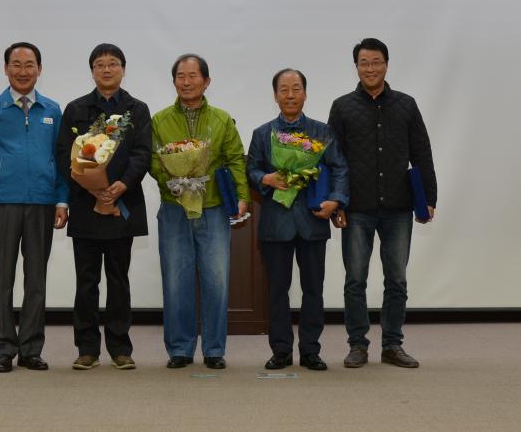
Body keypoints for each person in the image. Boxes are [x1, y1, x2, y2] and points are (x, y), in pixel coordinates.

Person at [328, 38, 437, 368]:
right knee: (355, 280)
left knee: (397, 280)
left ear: (386, 64)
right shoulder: (342, 107)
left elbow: (422, 153)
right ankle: (357, 345)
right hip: (356, 208)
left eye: (376, 62)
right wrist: (336, 203)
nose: (370, 68)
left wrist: (428, 199)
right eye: (364, 63)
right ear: (356, 67)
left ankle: (392, 345)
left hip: (398, 208)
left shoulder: (406, 105)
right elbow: (334, 160)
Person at [0, 42, 69, 373]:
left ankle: (30, 349)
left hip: (42, 202)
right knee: (3, 278)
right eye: (16, 64)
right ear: (6, 68)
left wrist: (62, 199)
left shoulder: (52, 110)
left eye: (29, 65)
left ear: (40, 69)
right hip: (2, 202)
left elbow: (62, 160)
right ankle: (2, 349)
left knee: (36, 278)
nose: (23, 71)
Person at [150, 54, 250, 369]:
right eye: (181, 76)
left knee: (216, 280)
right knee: (176, 280)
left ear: (206, 81)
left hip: (213, 208)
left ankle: (214, 349)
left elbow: (235, 160)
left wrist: (242, 197)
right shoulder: (159, 120)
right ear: (174, 82)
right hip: (175, 208)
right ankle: (180, 349)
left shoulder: (222, 119)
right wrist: (173, 180)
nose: (187, 82)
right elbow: (152, 161)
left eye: (193, 76)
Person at [56, 43, 151, 371]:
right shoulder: (76, 109)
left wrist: (121, 184)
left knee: (119, 279)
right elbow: (64, 154)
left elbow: (142, 153)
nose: (107, 69)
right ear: (92, 71)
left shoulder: (136, 109)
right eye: (100, 64)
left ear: (123, 69)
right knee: (86, 281)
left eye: (113, 64)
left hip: (122, 203)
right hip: (86, 206)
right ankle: (86, 348)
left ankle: (120, 347)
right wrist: (92, 187)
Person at [247, 69, 349, 371]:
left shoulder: (322, 131)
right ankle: (280, 350)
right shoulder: (262, 134)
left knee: (313, 290)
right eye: (284, 89)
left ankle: (310, 350)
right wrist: (265, 178)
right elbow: (251, 170)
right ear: (275, 95)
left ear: (305, 93)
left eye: (296, 89)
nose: (290, 95)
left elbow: (340, 168)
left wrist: (336, 200)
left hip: (313, 220)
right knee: (277, 291)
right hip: (276, 224)